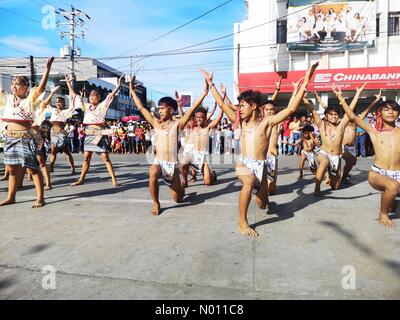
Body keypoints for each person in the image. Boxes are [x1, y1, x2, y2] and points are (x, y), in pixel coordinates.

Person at [201, 62, 319, 237]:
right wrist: (211, 84)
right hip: (244, 164)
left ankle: (266, 200)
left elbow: (291, 108)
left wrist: (307, 78)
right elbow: (222, 105)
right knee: (248, 182)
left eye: (242, 106)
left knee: (262, 204)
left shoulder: (267, 122)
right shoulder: (239, 120)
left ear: (254, 106)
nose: (239, 109)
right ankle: (242, 222)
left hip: (261, 166)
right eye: (239, 106)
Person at [130, 76, 209, 216]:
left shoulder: (177, 125)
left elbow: (191, 110)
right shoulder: (156, 123)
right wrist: (132, 90)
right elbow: (141, 107)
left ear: (171, 111)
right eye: (159, 108)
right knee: (153, 172)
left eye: (162, 108)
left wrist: (204, 93)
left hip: (171, 165)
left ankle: (182, 188)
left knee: (178, 199)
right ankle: (156, 203)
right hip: (158, 161)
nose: (159, 111)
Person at [0, 57, 54, 208]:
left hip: (25, 138)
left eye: (18, 84)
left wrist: (47, 69)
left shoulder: (30, 99)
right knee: (11, 169)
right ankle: (11, 197)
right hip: (9, 138)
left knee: (32, 169)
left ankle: (40, 198)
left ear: (26, 87)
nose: (14, 86)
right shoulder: (8, 99)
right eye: (13, 83)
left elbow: (41, 88)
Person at [339, 97, 400, 227]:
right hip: (377, 174)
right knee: (393, 187)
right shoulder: (374, 132)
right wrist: (341, 98)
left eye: (394, 109)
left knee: (392, 201)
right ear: (380, 113)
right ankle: (383, 214)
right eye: (386, 110)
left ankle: (390, 200)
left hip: (397, 173)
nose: (391, 112)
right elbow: (353, 117)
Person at [304, 83, 365, 196]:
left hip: (336, 156)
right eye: (331, 114)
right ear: (326, 116)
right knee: (324, 162)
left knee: (335, 187)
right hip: (323, 153)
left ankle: (331, 175)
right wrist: (304, 98)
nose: (333, 116)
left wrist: (356, 94)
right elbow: (312, 110)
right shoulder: (321, 124)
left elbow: (350, 110)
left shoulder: (341, 125)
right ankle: (317, 188)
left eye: (336, 114)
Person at [71, 77, 123, 187]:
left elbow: (111, 95)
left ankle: (114, 179)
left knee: (105, 158)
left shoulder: (102, 106)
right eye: (90, 96)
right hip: (89, 133)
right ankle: (81, 179)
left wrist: (118, 85)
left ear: (98, 98)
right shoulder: (87, 106)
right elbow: (74, 96)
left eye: (94, 96)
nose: (92, 97)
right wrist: (68, 83)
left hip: (99, 134)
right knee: (86, 158)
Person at [341, 91, 382, 184]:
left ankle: (345, 173)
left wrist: (376, 100)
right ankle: (343, 177)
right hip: (342, 146)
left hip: (351, 147)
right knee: (349, 161)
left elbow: (367, 110)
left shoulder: (356, 121)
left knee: (352, 162)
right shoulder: (343, 122)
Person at [48, 74, 79, 175]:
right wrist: (52, 92)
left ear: (63, 104)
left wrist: (68, 83)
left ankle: (73, 168)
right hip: (53, 134)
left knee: (67, 152)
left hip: (62, 134)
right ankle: (51, 167)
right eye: (57, 102)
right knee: (52, 151)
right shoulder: (52, 110)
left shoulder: (66, 112)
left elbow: (73, 100)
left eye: (60, 102)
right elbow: (45, 103)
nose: (58, 103)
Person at [31, 86, 60, 190]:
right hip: (27, 135)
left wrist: (51, 93)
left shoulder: (40, 109)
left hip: (38, 136)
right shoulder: (26, 106)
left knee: (41, 161)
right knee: (29, 161)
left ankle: (48, 183)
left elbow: (44, 102)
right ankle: (26, 179)